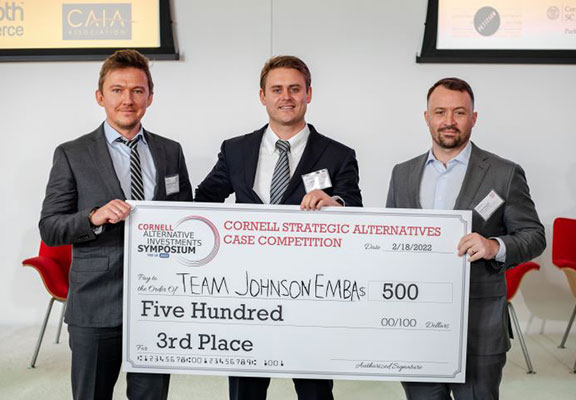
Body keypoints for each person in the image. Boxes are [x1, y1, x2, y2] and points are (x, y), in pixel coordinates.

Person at [195, 55, 362, 400]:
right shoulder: (235, 149)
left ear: (308, 94)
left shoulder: (338, 155)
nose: (286, 96)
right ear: (263, 96)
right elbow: (205, 198)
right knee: (245, 391)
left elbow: (353, 205)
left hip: (310, 293)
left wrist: (337, 205)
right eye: (277, 89)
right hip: (246, 293)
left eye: (294, 89)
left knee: (314, 391)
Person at [39, 49, 192, 400]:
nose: (128, 99)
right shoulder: (72, 154)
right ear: (100, 96)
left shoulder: (171, 151)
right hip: (96, 301)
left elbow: (185, 216)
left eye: (137, 91)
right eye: (117, 89)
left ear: (149, 97)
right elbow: (50, 227)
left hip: (159, 302)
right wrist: (93, 217)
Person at [386, 77, 545, 399]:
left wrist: (494, 246)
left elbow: (534, 236)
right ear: (427, 116)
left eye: (459, 112)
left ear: (473, 118)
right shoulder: (402, 173)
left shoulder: (503, 173)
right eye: (440, 112)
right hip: (416, 322)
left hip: (480, 324)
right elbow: (392, 241)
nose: (448, 121)